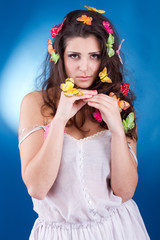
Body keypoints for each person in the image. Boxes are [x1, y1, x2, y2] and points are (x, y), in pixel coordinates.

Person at [18, 7, 150, 239]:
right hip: (59, 234)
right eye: (74, 56)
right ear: (60, 55)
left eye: (94, 56)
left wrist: (117, 130)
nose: (84, 67)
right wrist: (60, 119)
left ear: (105, 57)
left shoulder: (119, 105)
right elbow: (37, 189)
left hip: (118, 230)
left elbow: (125, 191)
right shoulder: (35, 103)